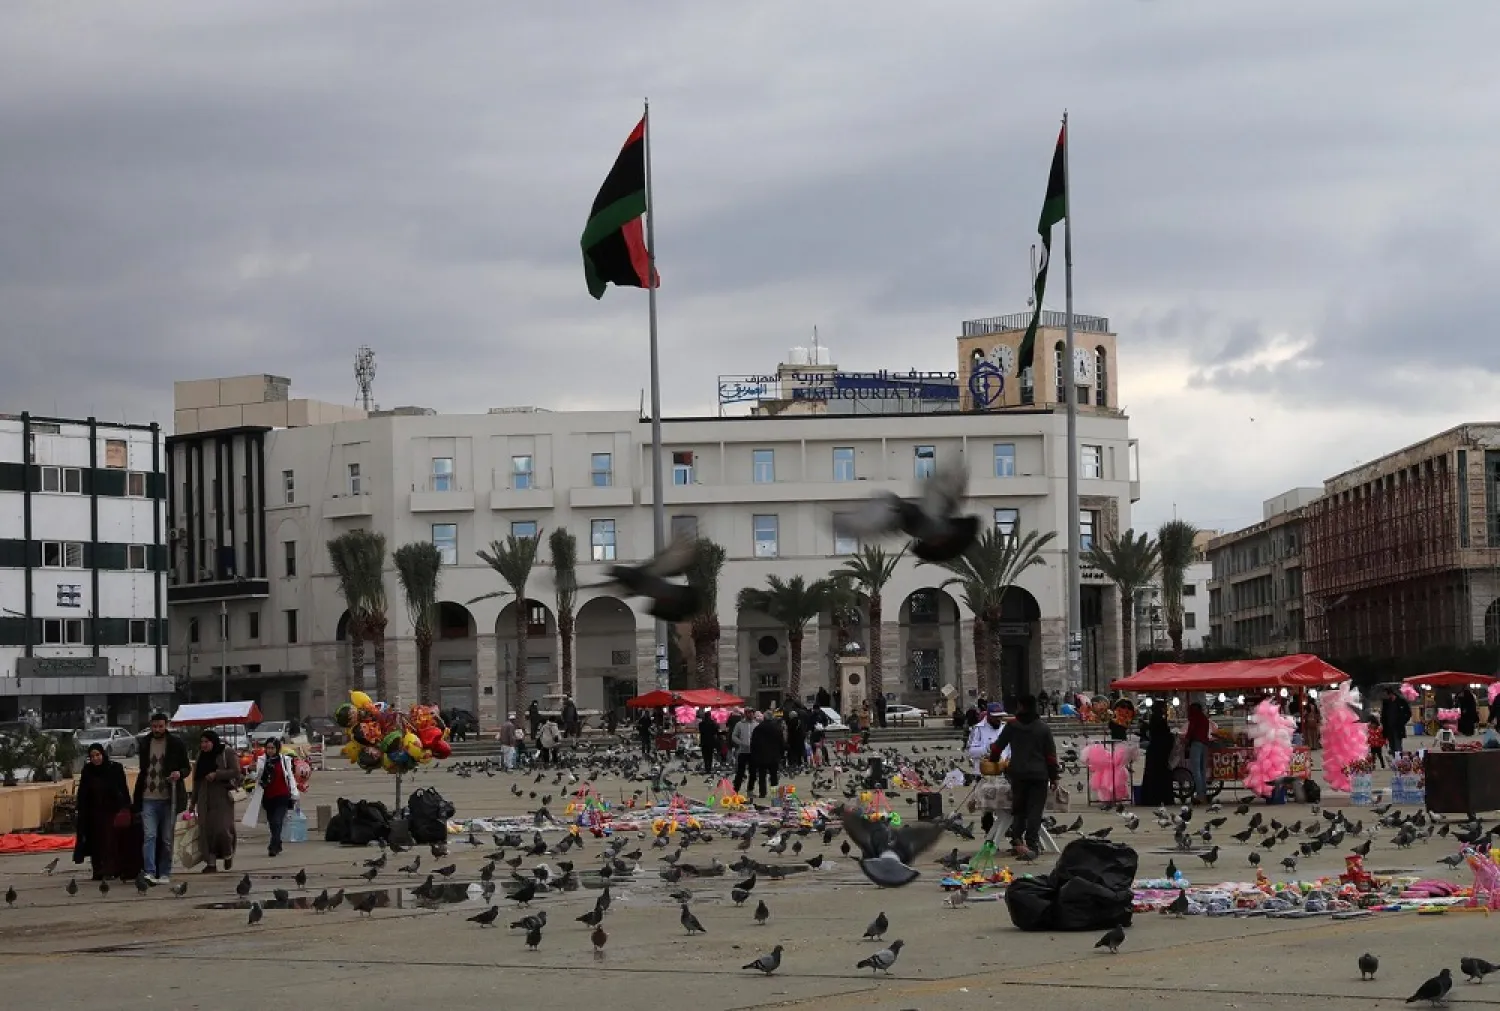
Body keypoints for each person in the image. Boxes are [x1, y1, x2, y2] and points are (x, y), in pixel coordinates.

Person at [990, 694, 1058, 860]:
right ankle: (1032, 843)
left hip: (1018, 773)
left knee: (1019, 808)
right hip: (1039, 775)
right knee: (1035, 810)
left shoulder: (1012, 726)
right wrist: (1054, 776)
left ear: (1021, 706)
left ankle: (1017, 839)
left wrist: (993, 761)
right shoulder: (1043, 728)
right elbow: (1050, 755)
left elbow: (998, 747)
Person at [132, 712, 191, 885]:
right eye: (154, 726)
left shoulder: (176, 744)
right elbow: (143, 769)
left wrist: (179, 774)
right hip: (148, 798)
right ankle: (150, 871)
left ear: (166, 725)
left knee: (166, 838)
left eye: (160, 726)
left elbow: (186, 768)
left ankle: (164, 872)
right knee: (149, 836)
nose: (157, 729)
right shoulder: (145, 743)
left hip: (168, 799)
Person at [74, 742, 138, 882]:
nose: (96, 758)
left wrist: (126, 808)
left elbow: (123, 789)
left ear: (103, 754)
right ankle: (98, 870)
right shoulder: (88, 771)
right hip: (93, 813)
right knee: (95, 842)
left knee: (110, 842)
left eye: (98, 755)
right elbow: (83, 793)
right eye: (92, 756)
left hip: (112, 812)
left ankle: (111, 869)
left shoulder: (114, 768)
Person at [189, 730, 240, 874]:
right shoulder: (201, 757)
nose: (204, 745)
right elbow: (196, 782)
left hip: (222, 796)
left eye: (207, 742)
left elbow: (236, 771)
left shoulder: (226, 752)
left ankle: (228, 852)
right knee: (206, 832)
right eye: (202, 742)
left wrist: (217, 774)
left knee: (222, 829)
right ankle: (211, 864)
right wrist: (192, 802)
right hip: (204, 798)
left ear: (213, 741)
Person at [247, 738, 300, 857]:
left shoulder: (285, 760)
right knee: (272, 823)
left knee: (277, 821)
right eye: (268, 748)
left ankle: (273, 847)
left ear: (277, 749)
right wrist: (250, 770)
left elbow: (290, 777)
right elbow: (257, 777)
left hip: (282, 795)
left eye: (272, 748)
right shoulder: (261, 761)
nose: (270, 751)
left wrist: (294, 793)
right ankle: (278, 843)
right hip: (267, 797)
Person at [1138, 705, 1176, 806]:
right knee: (1162, 776)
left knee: (1153, 776)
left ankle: (1152, 798)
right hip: (1161, 752)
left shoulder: (1154, 720)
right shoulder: (1160, 721)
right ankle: (1164, 797)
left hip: (1155, 751)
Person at [749, 710, 785, 799]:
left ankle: (763, 793)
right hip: (774, 756)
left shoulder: (758, 728)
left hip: (761, 756)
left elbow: (753, 743)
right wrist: (782, 754)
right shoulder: (777, 728)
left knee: (762, 776)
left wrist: (754, 755)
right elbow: (782, 743)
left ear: (764, 717)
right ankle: (774, 794)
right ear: (772, 717)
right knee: (773, 776)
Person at [965, 703, 1008, 776]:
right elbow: (970, 752)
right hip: (983, 775)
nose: (998, 719)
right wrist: (987, 748)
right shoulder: (978, 729)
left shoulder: (1006, 728)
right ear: (988, 716)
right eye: (995, 716)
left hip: (1003, 774)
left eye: (1000, 716)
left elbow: (1011, 751)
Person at [1185, 702, 1212, 804]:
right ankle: (1203, 794)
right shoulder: (1204, 718)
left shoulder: (1194, 718)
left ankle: (1200, 795)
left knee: (1196, 771)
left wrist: (1186, 741)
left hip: (1196, 744)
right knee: (1202, 771)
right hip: (1205, 744)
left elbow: (1190, 731)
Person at [1380, 689, 1411, 757]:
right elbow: (1383, 715)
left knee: (1398, 745)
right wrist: (1382, 723)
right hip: (1388, 727)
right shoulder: (1386, 703)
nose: (1386, 697)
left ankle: (1399, 761)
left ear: (1391, 694)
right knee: (1392, 746)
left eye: (1387, 695)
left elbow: (1408, 713)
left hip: (1398, 727)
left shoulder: (1401, 702)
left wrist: (1403, 721)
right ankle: (1395, 761)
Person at [732, 710, 757, 793]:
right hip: (742, 751)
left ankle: (750, 790)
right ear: (746, 714)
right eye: (749, 713)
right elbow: (734, 736)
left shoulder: (756, 724)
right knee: (740, 772)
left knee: (753, 772)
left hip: (753, 752)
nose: (751, 714)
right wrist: (740, 743)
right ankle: (736, 790)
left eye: (752, 713)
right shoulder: (739, 724)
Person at [697, 709, 719, 775]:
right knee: (710, 756)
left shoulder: (701, 724)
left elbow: (700, 731)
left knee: (705, 756)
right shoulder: (713, 724)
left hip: (703, 742)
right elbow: (716, 731)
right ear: (710, 716)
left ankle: (706, 769)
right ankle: (709, 769)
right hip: (711, 742)